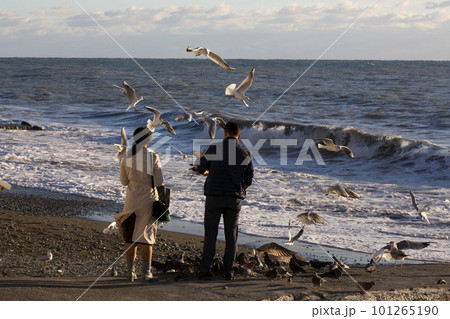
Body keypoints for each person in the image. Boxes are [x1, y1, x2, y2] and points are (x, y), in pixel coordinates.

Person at [197, 121, 254, 280]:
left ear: (225, 133)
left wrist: (208, 167)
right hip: (234, 198)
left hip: (214, 196)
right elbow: (248, 180)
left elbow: (201, 169)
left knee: (210, 234)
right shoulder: (245, 153)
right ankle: (229, 270)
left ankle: (205, 269)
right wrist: (238, 185)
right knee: (231, 235)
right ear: (239, 135)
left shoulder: (215, 148)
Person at [114, 127, 163, 282]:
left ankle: (130, 272)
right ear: (148, 140)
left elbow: (123, 182)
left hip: (131, 198)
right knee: (146, 237)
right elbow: (159, 182)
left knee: (130, 236)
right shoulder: (153, 156)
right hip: (148, 198)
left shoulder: (127, 156)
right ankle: (146, 273)